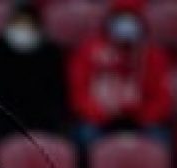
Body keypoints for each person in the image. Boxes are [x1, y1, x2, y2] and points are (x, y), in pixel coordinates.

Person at [69, 0, 171, 153]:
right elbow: (79, 91)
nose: (126, 23)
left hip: (140, 119)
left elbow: (162, 96)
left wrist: (142, 117)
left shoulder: (153, 55)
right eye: (121, 17)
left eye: (131, 17)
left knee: (161, 140)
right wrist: (101, 113)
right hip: (101, 118)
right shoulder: (89, 51)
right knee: (85, 136)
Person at [0, 2, 69, 150]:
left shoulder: (50, 52)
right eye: (19, 23)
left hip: (43, 121)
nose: (23, 28)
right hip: (3, 121)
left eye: (28, 24)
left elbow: (58, 92)